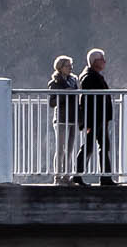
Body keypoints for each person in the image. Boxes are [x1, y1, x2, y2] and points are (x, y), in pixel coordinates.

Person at [75, 47, 115, 186]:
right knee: (90, 146)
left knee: (103, 146)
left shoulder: (93, 75)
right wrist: (88, 121)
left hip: (100, 117)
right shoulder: (89, 77)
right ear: (94, 61)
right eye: (101, 59)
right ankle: (78, 175)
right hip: (95, 117)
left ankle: (105, 176)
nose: (104, 61)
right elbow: (87, 100)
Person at [47, 55, 80, 184]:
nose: (70, 68)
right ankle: (57, 177)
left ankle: (67, 176)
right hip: (61, 118)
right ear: (60, 68)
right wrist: (65, 94)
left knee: (70, 149)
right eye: (67, 66)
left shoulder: (73, 80)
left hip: (73, 117)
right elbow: (52, 102)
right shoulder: (54, 83)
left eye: (71, 65)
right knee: (60, 149)